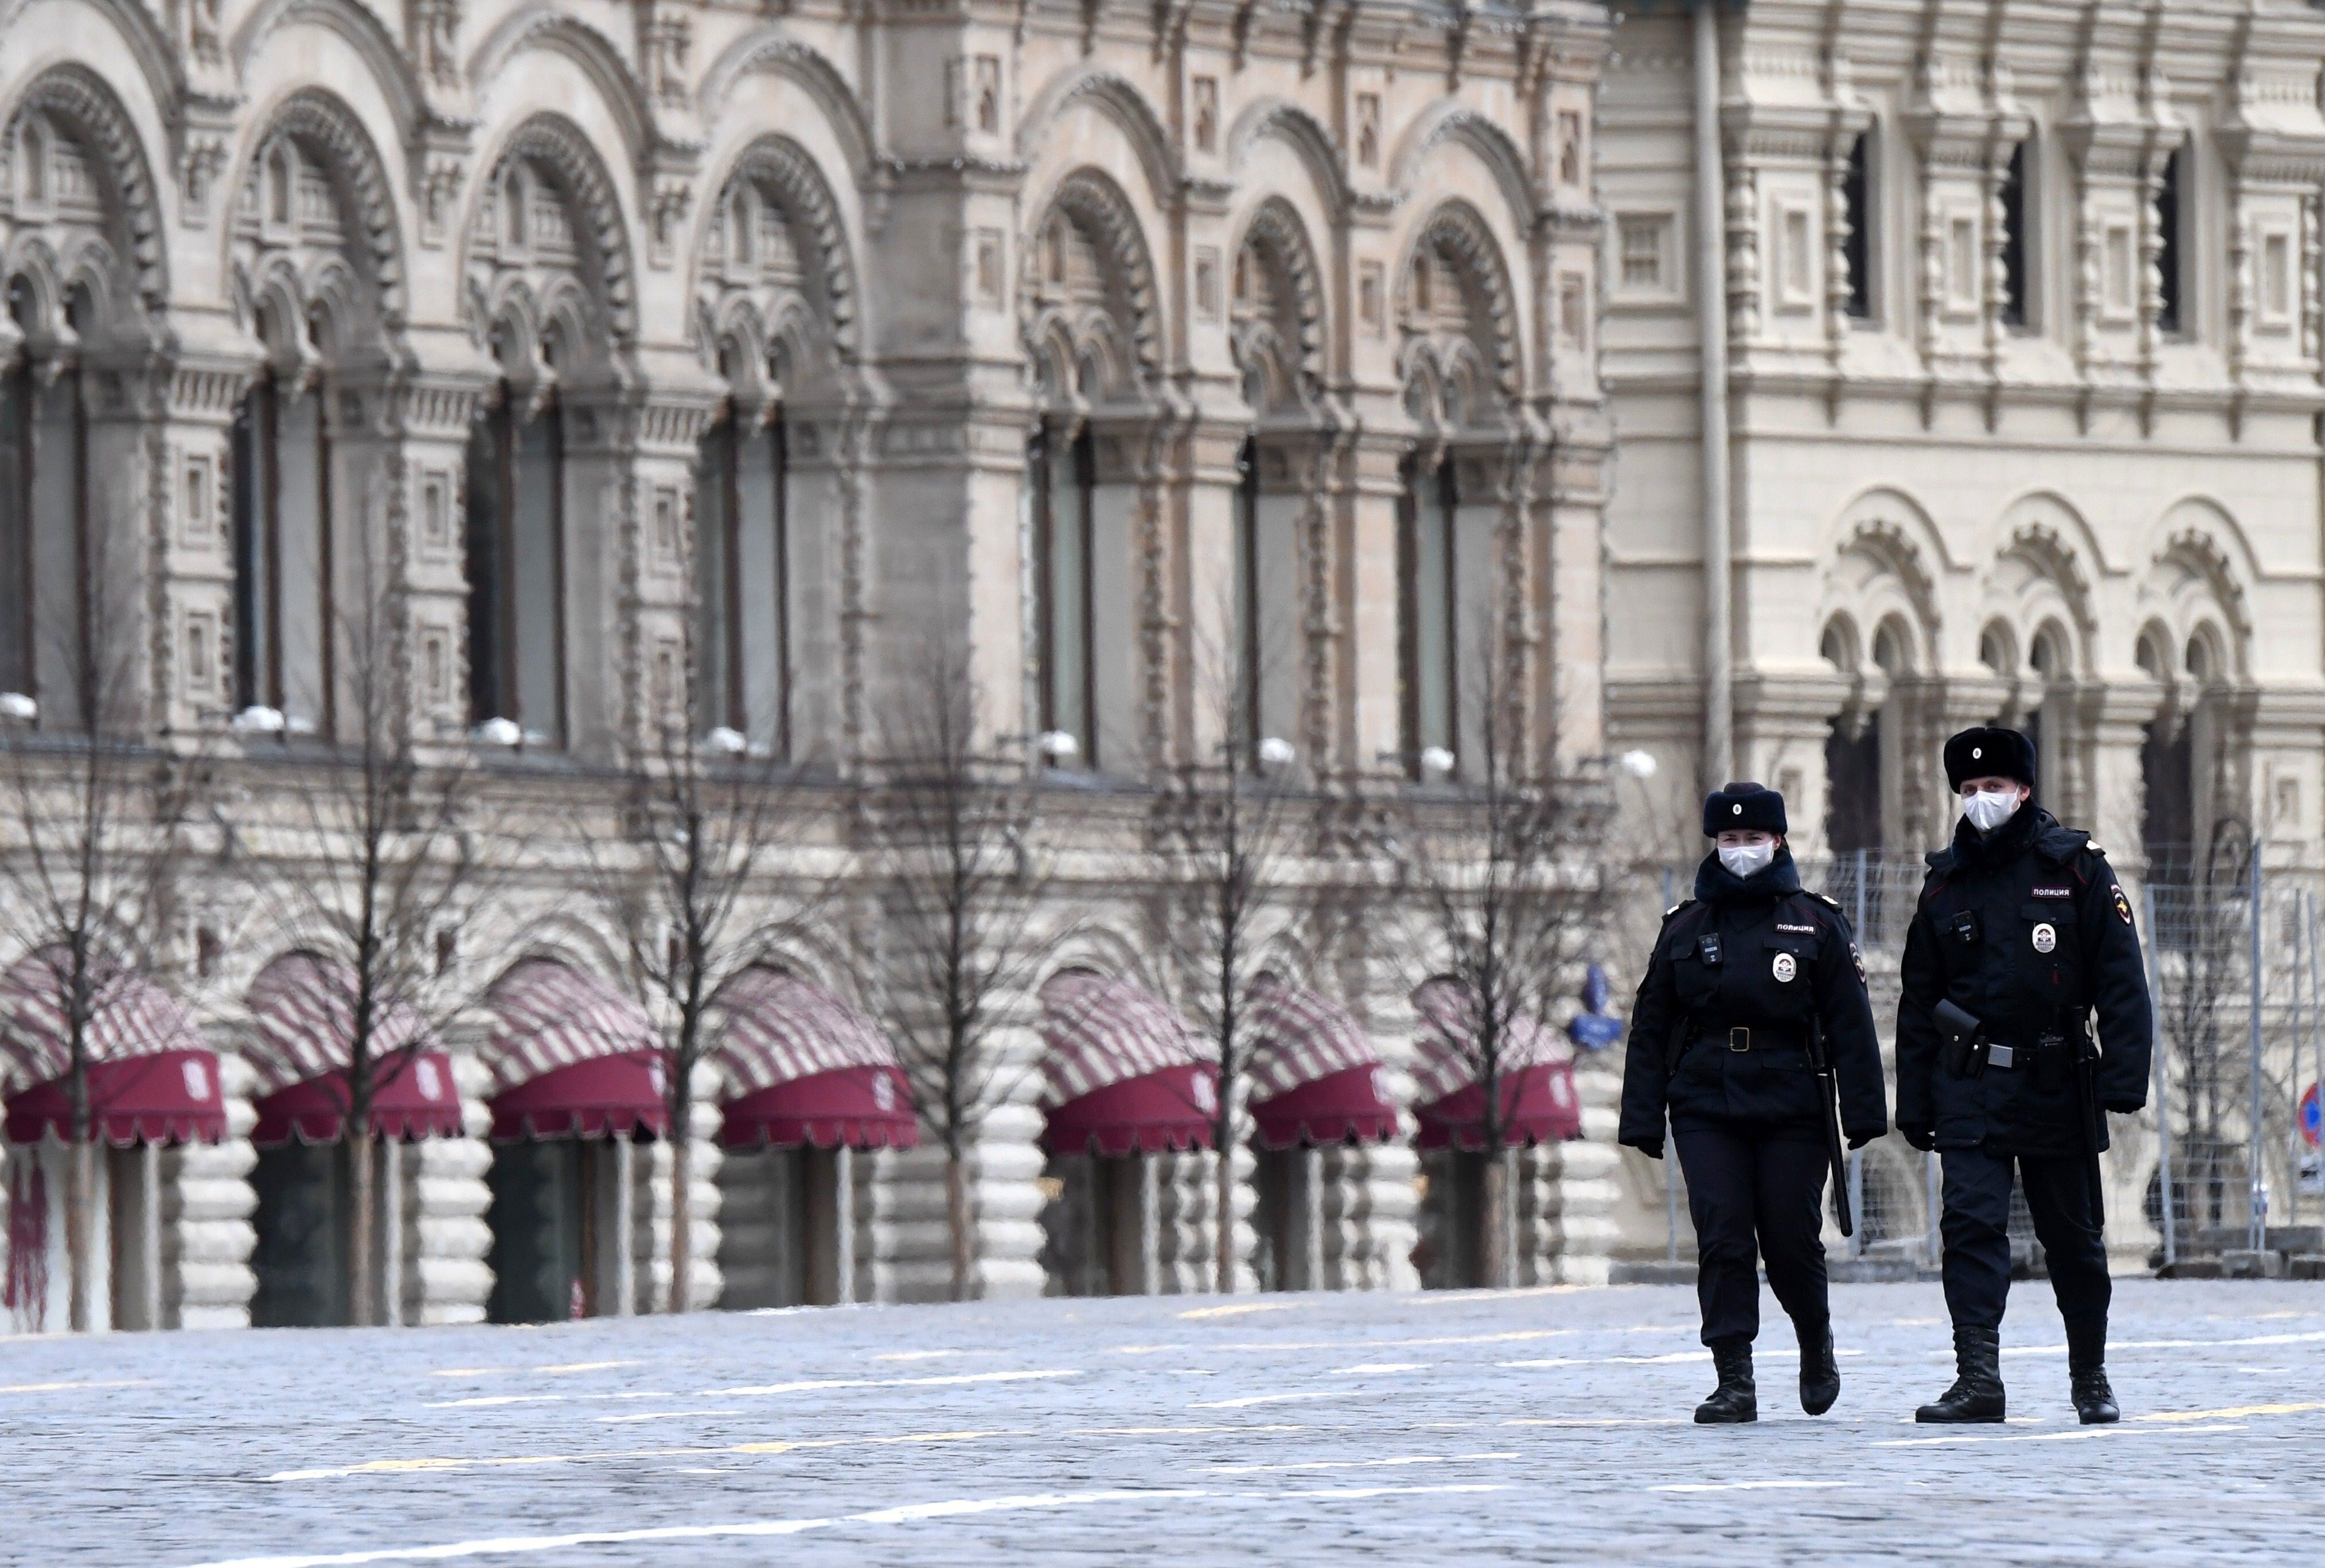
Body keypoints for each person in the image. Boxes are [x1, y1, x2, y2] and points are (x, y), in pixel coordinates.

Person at [1895, 727, 2153, 1425]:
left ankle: (2089, 1374)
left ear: (2024, 790)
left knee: (2072, 1237)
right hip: (1970, 1082)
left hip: (2055, 1080)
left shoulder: (2075, 869)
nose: (1982, 801)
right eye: (1971, 790)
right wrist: (1913, 1099)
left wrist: (2125, 1077)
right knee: (1970, 1228)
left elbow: (2121, 981)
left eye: (1995, 789)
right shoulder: (1944, 885)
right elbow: (1918, 999)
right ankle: (1977, 1377)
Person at [1621, 782, 1888, 1423]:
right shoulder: (1684, 925)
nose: (1741, 850)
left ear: (1779, 841)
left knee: (1790, 1238)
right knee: (1723, 1235)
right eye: (1729, 839)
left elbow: (1851, 1023)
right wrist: (1641, 1116)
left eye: (1753, 839)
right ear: (1714, 844)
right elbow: (1651, 1023)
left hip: (1791, 1097)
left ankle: (1814, 1340)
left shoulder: (1815, 922)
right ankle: (1733, 1377)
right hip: (1705, 1098)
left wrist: (1863, 1114)